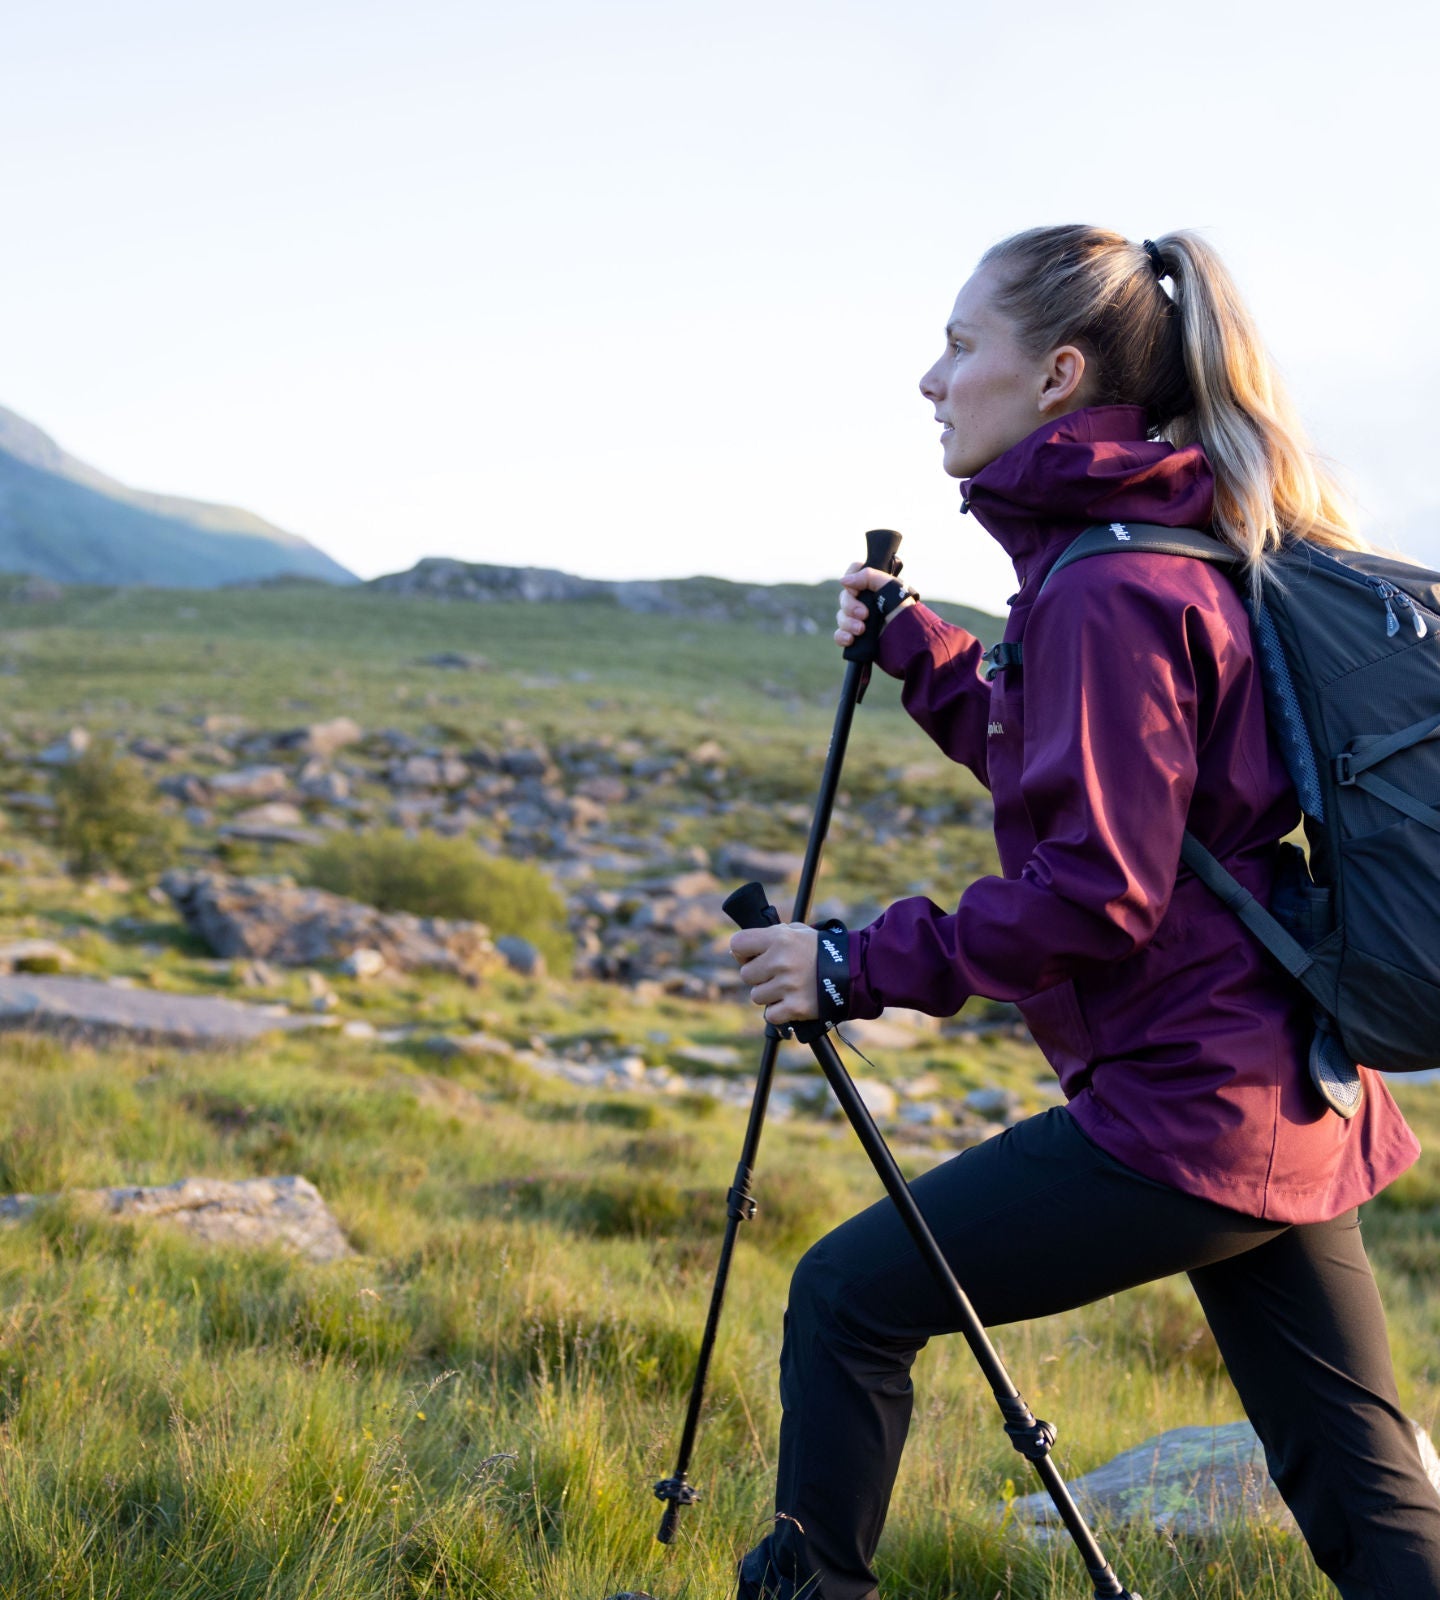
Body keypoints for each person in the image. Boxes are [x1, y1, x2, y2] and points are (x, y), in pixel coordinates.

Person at [727, 225, 1440, 1600]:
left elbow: (1097, 893)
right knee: (1371, 1512)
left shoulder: (1109, 582)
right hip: (1292, 1091)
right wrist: (926, 657)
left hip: (1187, 1108)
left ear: (1055, 375)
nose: (932, 380)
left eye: (958, 345)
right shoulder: (1157, 550)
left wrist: (848, 961)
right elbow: (1100, 786)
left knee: (847, 1301)